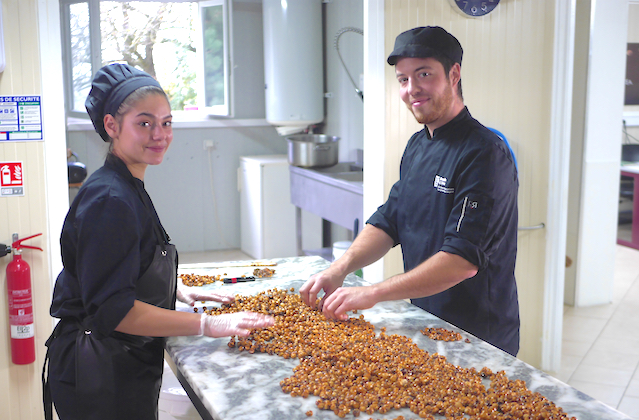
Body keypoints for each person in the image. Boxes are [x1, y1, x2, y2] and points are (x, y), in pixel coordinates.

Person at [42, 63, 274, 420]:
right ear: (111, 126)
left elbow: (123, 263)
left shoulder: (126, 185)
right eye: (145, 123)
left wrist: (173, 289)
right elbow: (114, 310)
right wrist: (207, 325)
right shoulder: (109, 200)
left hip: (120, 363)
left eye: (167, 123)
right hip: (97, 371)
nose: (160, 134)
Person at [300, 26, 520, 356]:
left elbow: (463, 260)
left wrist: (373, 292)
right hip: (424, 323)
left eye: (424, 74)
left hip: (477, 336)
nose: (411, 89)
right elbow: (389, 221)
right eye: (403, 79)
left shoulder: (484, 153)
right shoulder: (418, 145)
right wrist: (339, 268)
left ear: (454, 74)